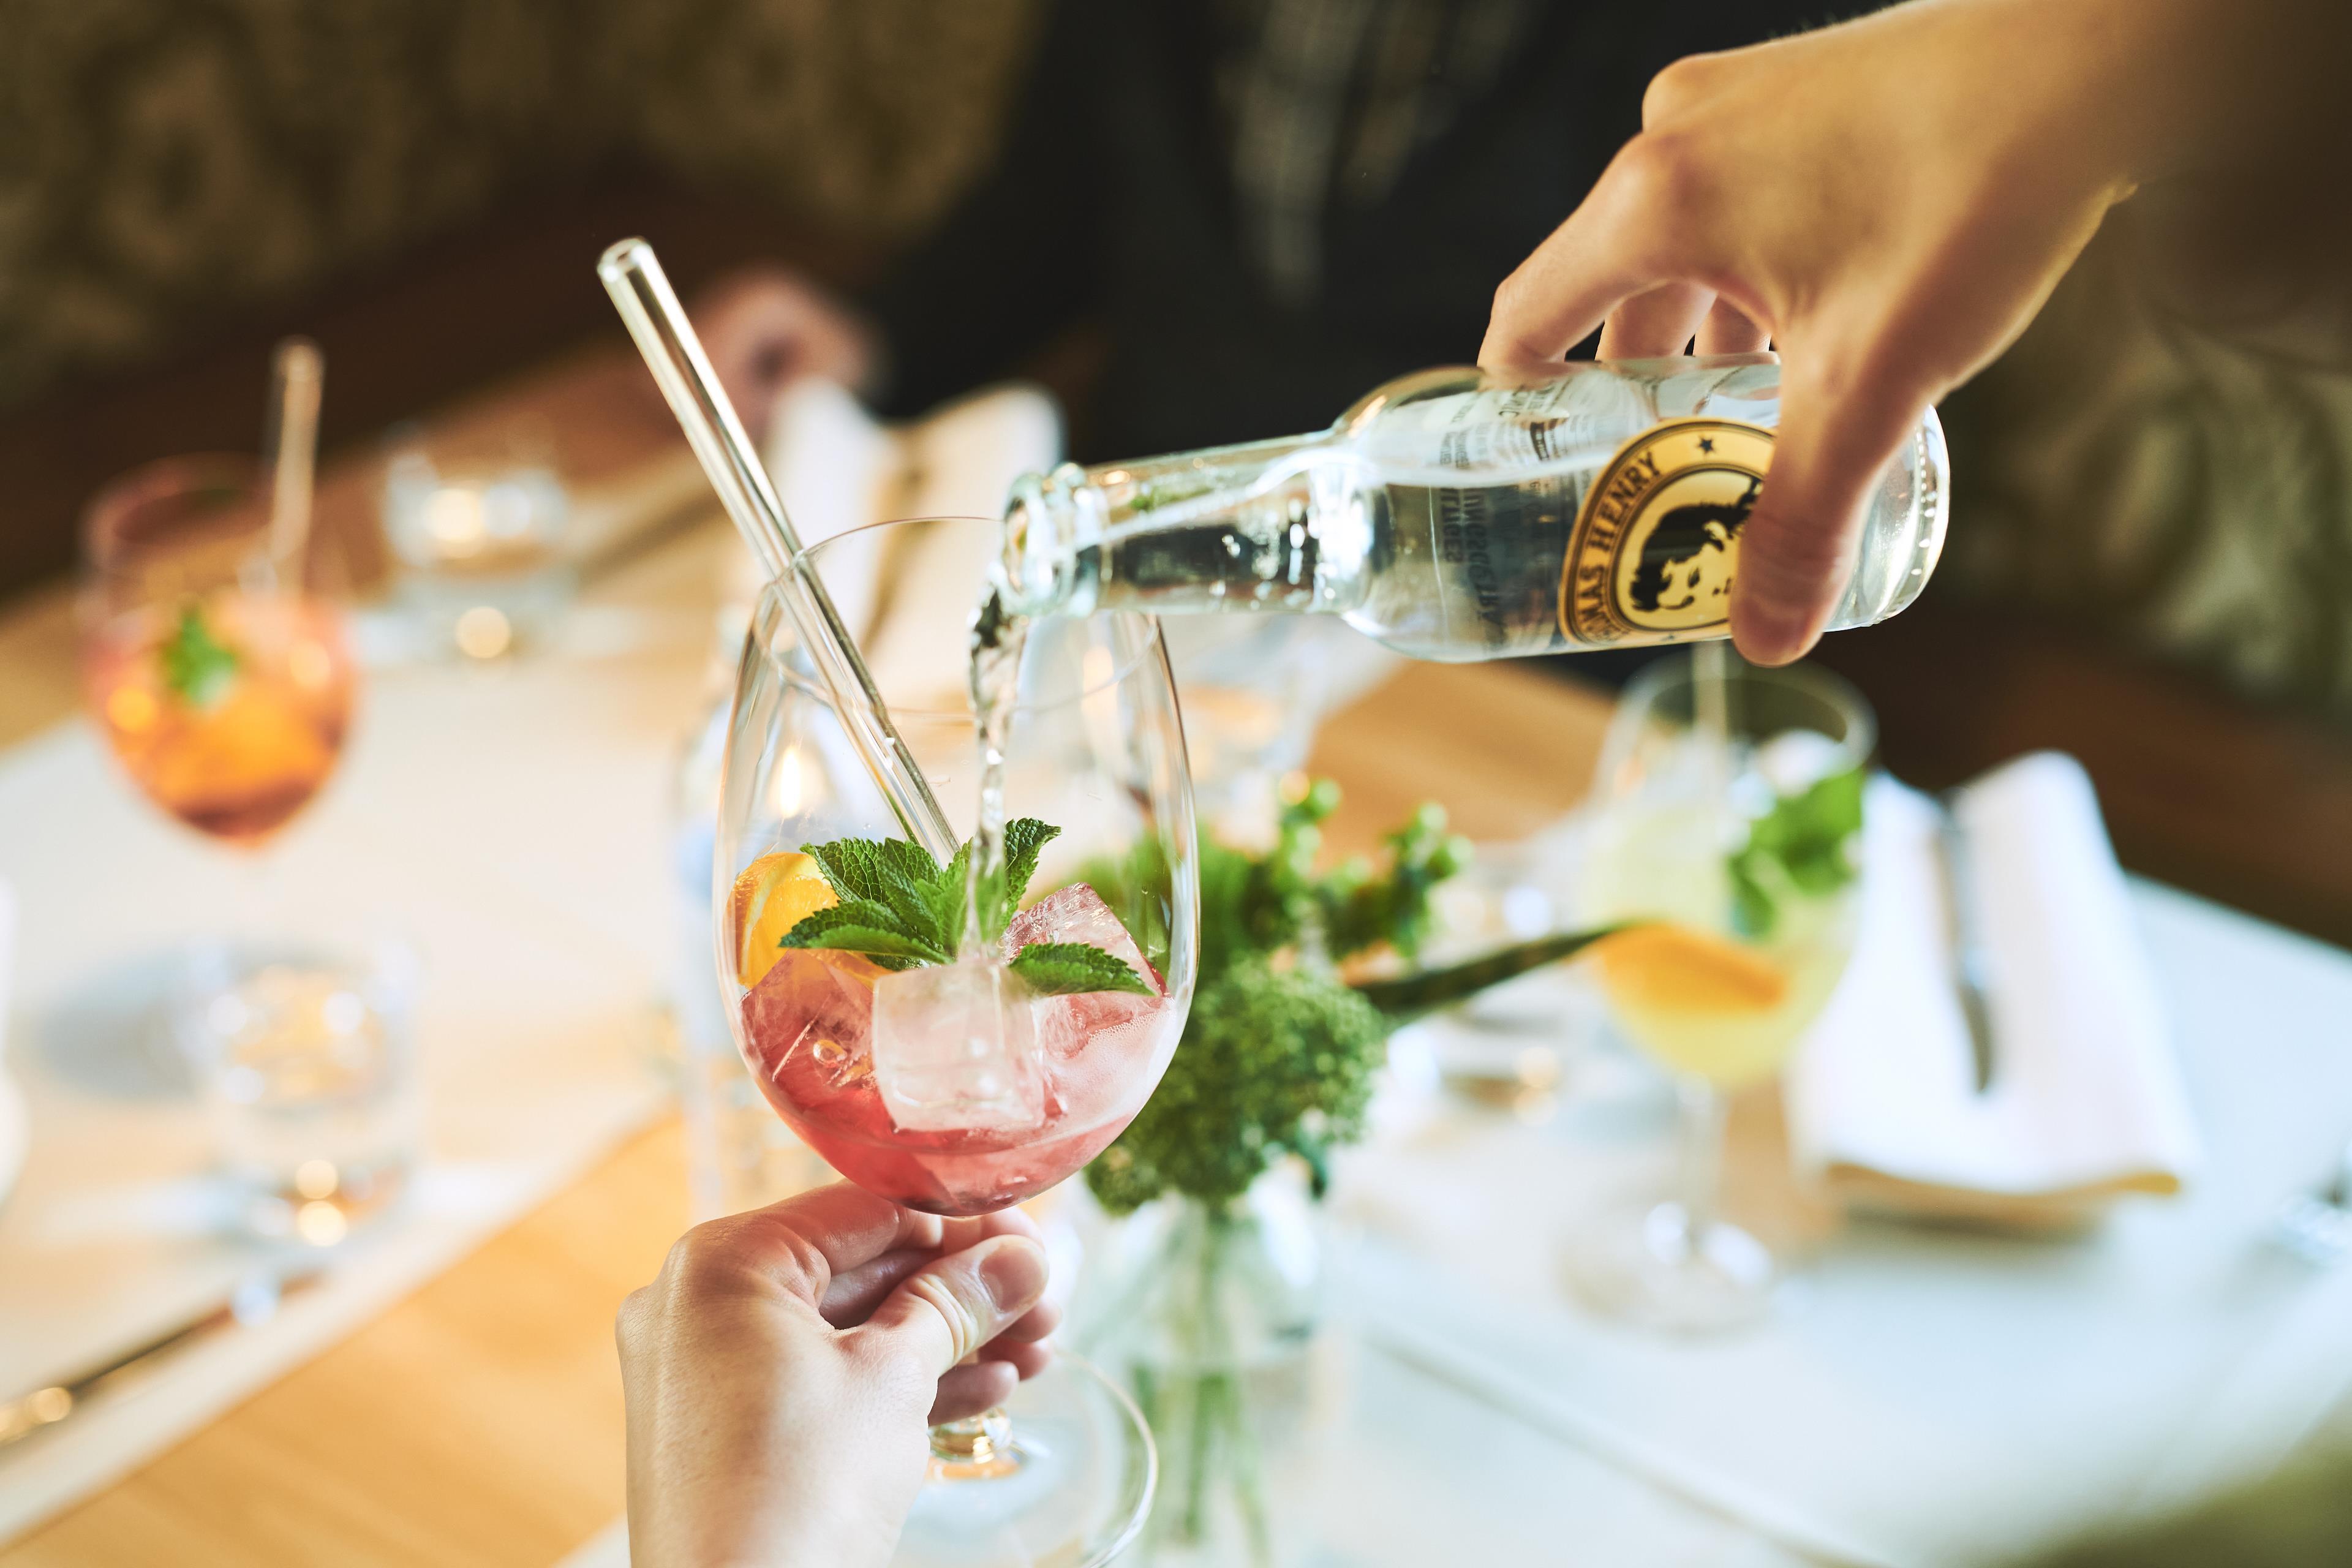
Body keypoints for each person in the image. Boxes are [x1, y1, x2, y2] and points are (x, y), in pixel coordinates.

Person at [631, 1, 2352, 1562]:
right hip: (1197, 580)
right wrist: (880, 330)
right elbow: (1054, 199)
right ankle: (947, 1448)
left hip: (1499, 706)